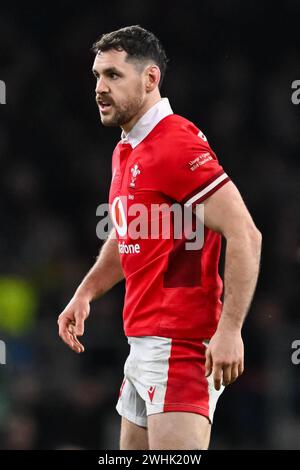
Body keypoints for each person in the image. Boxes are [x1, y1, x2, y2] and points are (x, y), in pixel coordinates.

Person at [57, 25, 262, 450]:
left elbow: (245, 234)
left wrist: (230, 330)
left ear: (150, 79)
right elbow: (128, 236)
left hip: (180, 344)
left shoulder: (175, 144)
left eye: (113, 75)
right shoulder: (127, 148)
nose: (99, 88)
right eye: (96, 76)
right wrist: (86, 292)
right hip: (144, 343)